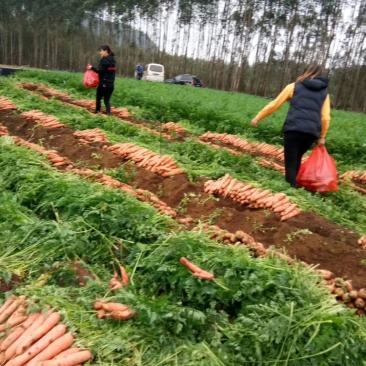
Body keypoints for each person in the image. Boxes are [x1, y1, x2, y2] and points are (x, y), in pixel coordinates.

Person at [251, 64, 331, 187]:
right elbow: (325, 117)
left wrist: (258, 117)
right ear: (320, 76)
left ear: (306, 72)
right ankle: (294, 184)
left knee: (290, 161)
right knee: (297, 157)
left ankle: (291, 188)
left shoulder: (294, 86)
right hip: (311, 132)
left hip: (293, 128)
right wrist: (322, 136)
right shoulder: (324, 93)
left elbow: (275, 104)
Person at [87, 45, 116, 115]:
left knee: (98, 99)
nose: (100, 53)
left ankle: (97, 113)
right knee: (106, 100)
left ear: (105, 51)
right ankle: (109, 115)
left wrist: (91, 68)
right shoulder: (113, 60)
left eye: (101, 51)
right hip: (111, 84)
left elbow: (100, 71)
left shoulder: (104, 61)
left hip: (103, 83)